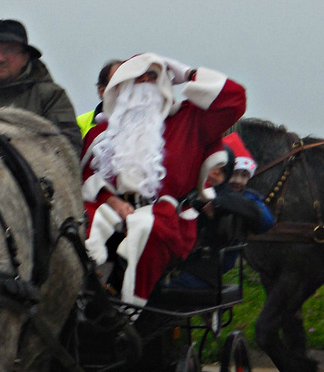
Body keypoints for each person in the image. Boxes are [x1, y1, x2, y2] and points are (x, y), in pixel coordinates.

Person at [81, 53, 246, 305]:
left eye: (153, 75)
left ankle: (127, 307)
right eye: (138, 77)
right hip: (111, 208)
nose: (145, 82)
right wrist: (113, 202)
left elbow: (235, 99)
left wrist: (188, 74)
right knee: (73, 225)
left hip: (168, 217)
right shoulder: (102, 132)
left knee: (147, 228)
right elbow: (86, 178)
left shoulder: (188, 121)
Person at [0, 19, 82, 154]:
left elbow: (69, 148)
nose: (0, 58)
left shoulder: (50, 96)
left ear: (25, 58)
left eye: (9, 50)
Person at [164, 130, 274, 290]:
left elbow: (265, 221)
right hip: (184, 259)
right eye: (233, 174)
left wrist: (218, 202)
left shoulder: (246, 199)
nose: (238, 180)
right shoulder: (201, 190)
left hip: (207, 267)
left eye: (244, 175)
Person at [76, 60, 122, 138]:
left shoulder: (146, 120)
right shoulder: (79, 124)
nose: (126, 90)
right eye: (119, 84)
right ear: (102, 91)